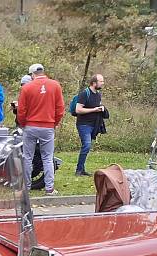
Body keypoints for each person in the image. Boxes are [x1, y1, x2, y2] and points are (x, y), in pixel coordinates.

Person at [17, 63, 65, 195]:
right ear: (43, 72)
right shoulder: (55, 85)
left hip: (30, 126)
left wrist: (23, 124)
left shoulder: (27, 88)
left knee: (27, 157)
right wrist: (54, 123)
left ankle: (26, 187)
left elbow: (21, 110)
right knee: (48, 158)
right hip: (48, 126)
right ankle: (49, 188)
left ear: (32, 74)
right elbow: (60, 108)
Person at [74, 74, 105, 176]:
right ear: (94, 83)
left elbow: (97, 106)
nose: (102, 83)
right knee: (87, 145)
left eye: (103, 81)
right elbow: (78, 109)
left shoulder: (98, 94)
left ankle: (82, 169)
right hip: (83, 124)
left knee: (86, 146)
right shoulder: (84, 94)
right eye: (101, 81)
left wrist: (101, 109)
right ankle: (78, 170)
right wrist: (94, 110)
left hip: (94, 125)